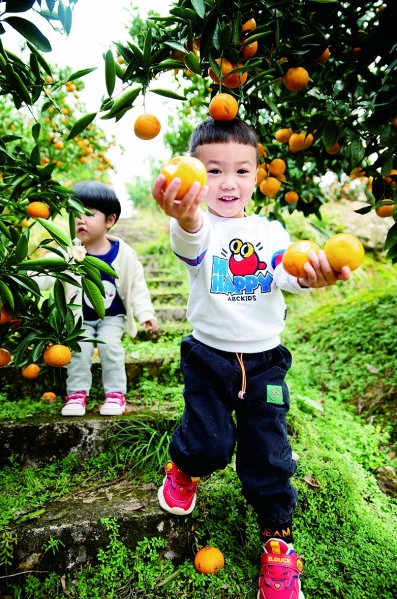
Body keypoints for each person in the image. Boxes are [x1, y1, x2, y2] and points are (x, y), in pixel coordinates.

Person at [151, 117, 351, 599]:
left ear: (257, 177)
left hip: (265, 364)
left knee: (269, 454)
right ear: (195, 175)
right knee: (209, 445)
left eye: (241, 171)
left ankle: (278, 542)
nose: (228, 182)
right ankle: (184, 468)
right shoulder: (198, 227)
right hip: (209, 357)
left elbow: (285, 270)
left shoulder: (269, 230)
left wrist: (311, 276)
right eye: (213, 170)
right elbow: (190, 242)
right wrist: (184, 215)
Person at [38, 180, 157, 417]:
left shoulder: (124, 254)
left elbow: (137, 286)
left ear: (109, 220)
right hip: (79, 319)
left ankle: (115, 394)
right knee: (79, 350)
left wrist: (145, 313)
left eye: (89, 213)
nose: (80, 219)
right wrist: (20, 283)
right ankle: (76, 394)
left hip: (112, 316)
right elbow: (44, 273)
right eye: (75, 213)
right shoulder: (67, 252)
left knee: (110, 346)